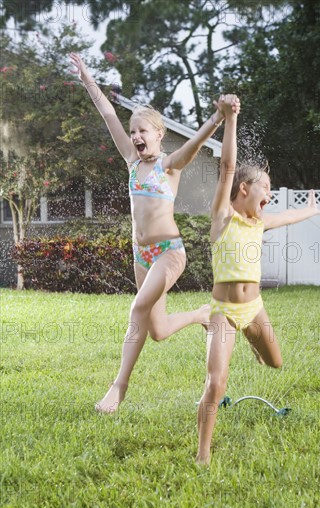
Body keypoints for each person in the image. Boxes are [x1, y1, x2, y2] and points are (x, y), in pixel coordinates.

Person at [69, 53, 239, 413]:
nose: (135, 136)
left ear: (159, 135)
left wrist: (218, 118)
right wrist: (86, 77)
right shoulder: (132, 163)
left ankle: (118, 388)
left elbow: (194, 145)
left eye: (142, 131)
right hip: (140, 254)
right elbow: (108, 114)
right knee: (157, 329)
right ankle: (202, 316)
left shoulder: (169, 165)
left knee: (138, 307)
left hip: (168, 252)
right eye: (133, 132)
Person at [196, 95, 320, 465]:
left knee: (274, 363)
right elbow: (228, 165)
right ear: (245, 189)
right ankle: (203, 453)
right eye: (265, 186)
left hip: (254, 309)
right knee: (216, 383)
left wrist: (311, 210)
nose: (269, 193)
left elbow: (289, 217)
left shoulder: (259, 222)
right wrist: (230, 118)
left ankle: (253, 342)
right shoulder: (223, 216)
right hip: (223, 311)